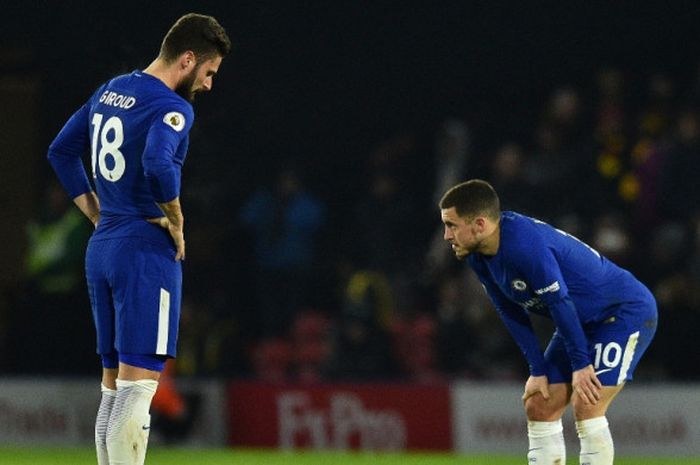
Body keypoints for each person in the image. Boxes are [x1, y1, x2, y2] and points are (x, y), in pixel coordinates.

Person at [47, 13, 231, 465]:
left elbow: (61, 151)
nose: (208, 85)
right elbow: (158, 161)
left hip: (104, 246)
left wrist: (95, 212)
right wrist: (177, 217)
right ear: (187, 59)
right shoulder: (173, 106)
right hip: (144, 250)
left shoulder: (111, 90)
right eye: (208, 73)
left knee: (113, 389)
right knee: (139, 388)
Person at [439, 179, 657, 465]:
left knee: (587, 402)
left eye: (452, 225)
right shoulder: (478, 256)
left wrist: (580, 365)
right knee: (539, 404)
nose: (446, 235)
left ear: (479, 224)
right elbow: (509, 308)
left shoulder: (523, 245)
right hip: (579, 321)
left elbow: (559, 302)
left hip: (621, 313)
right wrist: (537, 368)